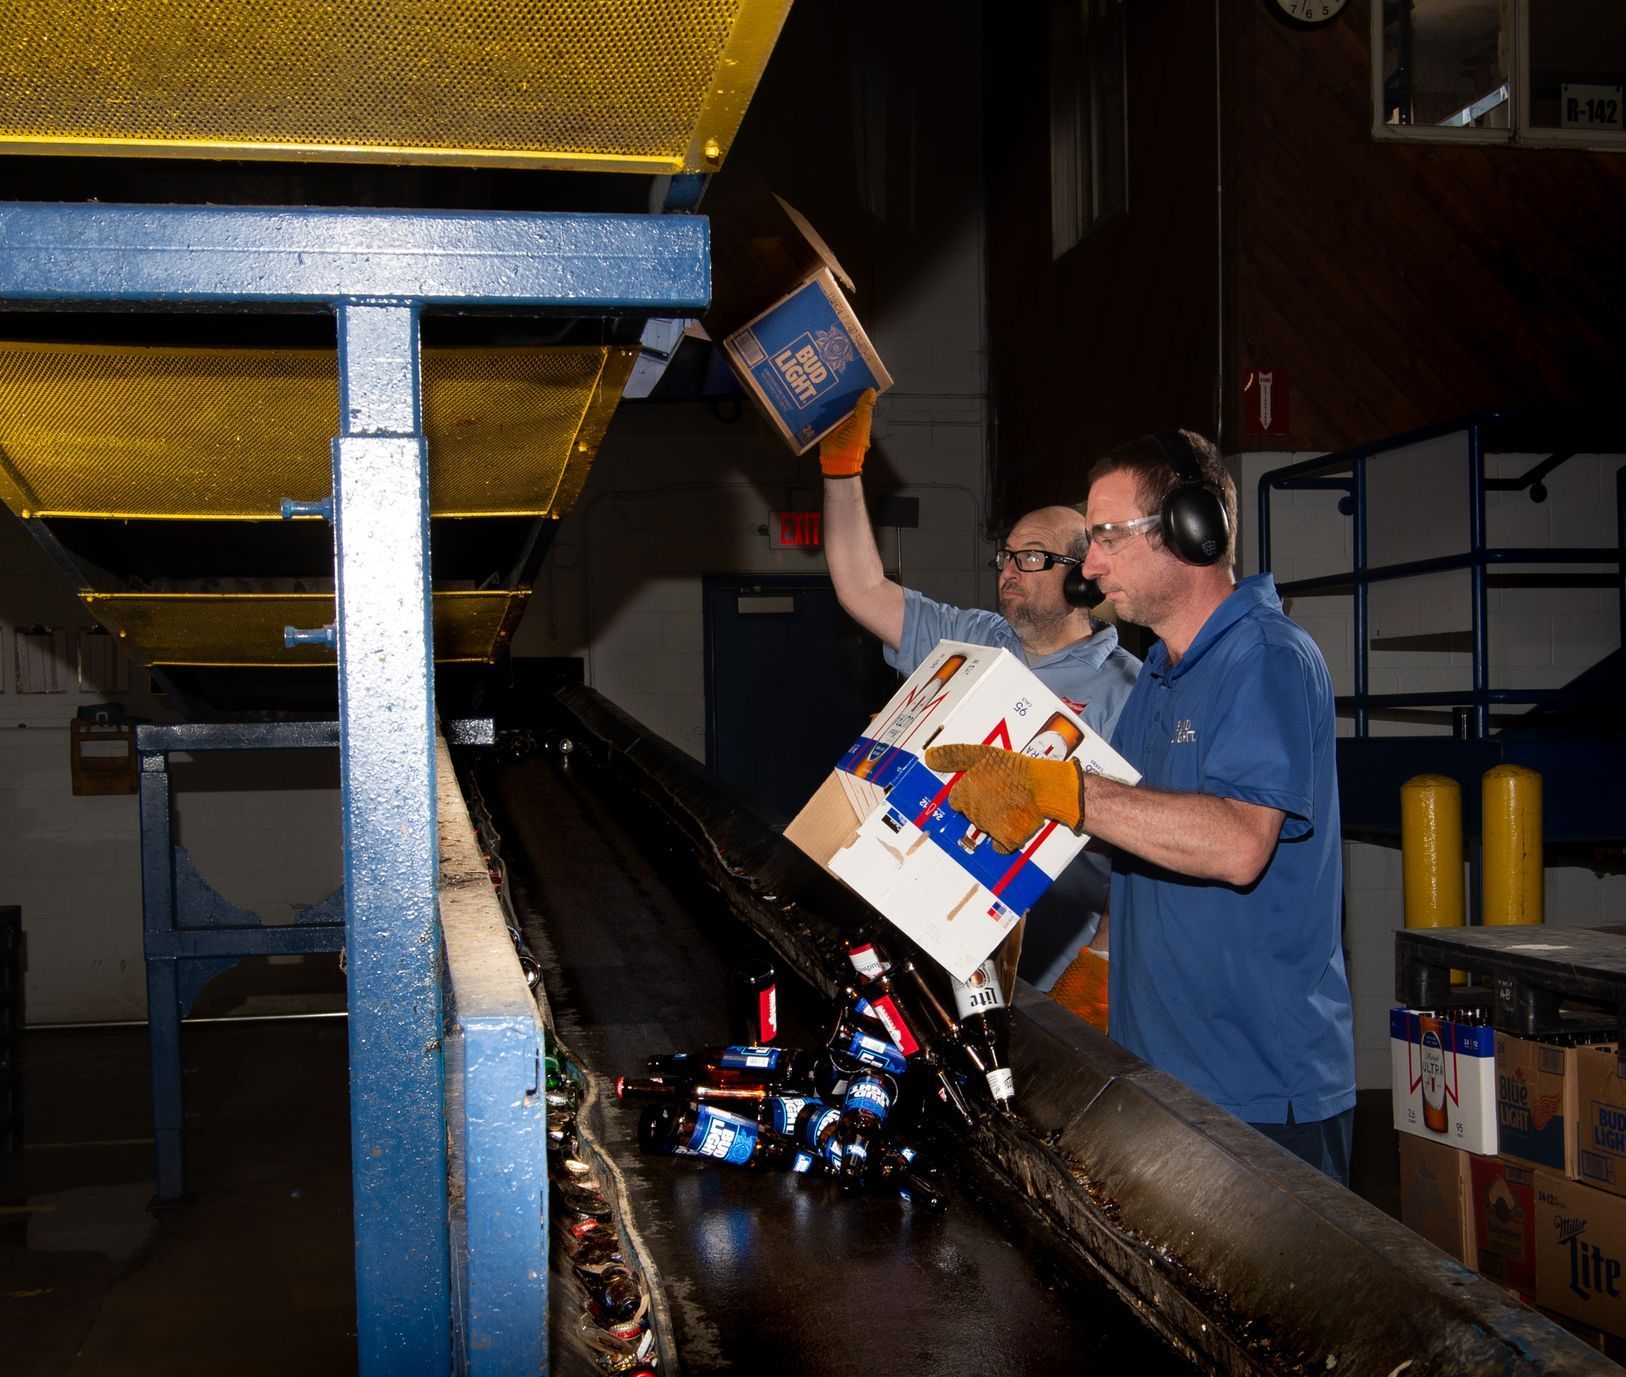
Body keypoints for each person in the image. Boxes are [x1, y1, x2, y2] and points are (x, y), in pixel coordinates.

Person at [925, 429, 1356, 1185]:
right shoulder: (1156, 679)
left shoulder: (1268, 658)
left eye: (1107, 539)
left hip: (1258, 1094)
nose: (1088, 568)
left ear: (1191, 531)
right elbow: (1129, 847)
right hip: (1159, 1073)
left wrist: (1065, 793)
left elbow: (1238, 843)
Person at [819, 389, 1141, 993]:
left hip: (1046, 968)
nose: (1007, 570)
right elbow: (862, 589)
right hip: (926, 935)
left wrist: (1101, 965)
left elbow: (1141, 850)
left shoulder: (1129, 689)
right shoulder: (971, 638)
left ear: (1080, 582)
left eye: (1030, 558)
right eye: (1006, 556)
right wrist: (842, 471)